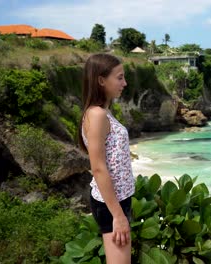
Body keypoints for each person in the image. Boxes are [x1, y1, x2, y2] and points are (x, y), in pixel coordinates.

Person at [78, 53, 135, 264]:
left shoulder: (103, 112)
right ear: (101, 80)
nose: (125, 83)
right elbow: (99, 168)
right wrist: (118, 216)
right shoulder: (97, 115)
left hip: (117, 201)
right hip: (111, 204)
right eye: (119, 77)